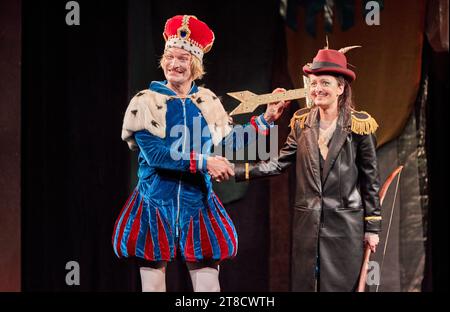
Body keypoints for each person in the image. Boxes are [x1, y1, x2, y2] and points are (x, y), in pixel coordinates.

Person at [111, 15, 288, 292]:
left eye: (182, 58)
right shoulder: (146, 102)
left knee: (209, 288)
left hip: (197, 204)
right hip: (156, 205)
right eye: (170, 57)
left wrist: (266, 119)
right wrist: (205, 161)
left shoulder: (206, 102)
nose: (174, 64)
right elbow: (158, 155)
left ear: (194, 65)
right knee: (154, 286)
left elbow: (230, 144)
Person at [234, 46, 382, 292]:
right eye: (313, 83)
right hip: (307, 229)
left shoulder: (359, 126)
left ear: (340, 88)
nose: (317, 89)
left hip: (345, 228)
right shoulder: (302, 123)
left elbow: (371, 181)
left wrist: (373, 228)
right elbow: (279, 163)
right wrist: (237, 171)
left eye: (324, 83)